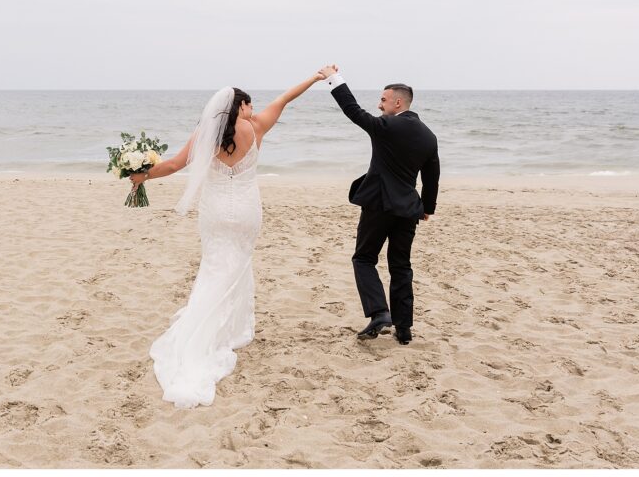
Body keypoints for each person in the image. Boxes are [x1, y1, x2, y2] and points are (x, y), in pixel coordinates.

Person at [129, 69, 326, 408]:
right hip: (247, 210)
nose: (254, 109)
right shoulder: (256, 127)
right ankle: (231, 329)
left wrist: (141, 175)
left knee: (215, 266)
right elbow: (286, 98)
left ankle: (211, 326)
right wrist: (315, 78)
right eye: (250, 105)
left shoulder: (206, 133)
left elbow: (175, 165)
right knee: (238, 265)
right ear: (242, 106)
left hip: (216, 211)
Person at [318, 65, 440, 345]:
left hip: (378, 206)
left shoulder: (387, 126)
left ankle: (379, 312)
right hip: (409, 210)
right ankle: (404, 328)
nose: (379, 104)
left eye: (383, 100)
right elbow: (432, 176)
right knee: (401, 266)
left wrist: (334, 79)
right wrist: (428, 208)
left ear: (398, 102)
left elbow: (353, 110)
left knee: (363, 258)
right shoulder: (428, 136)